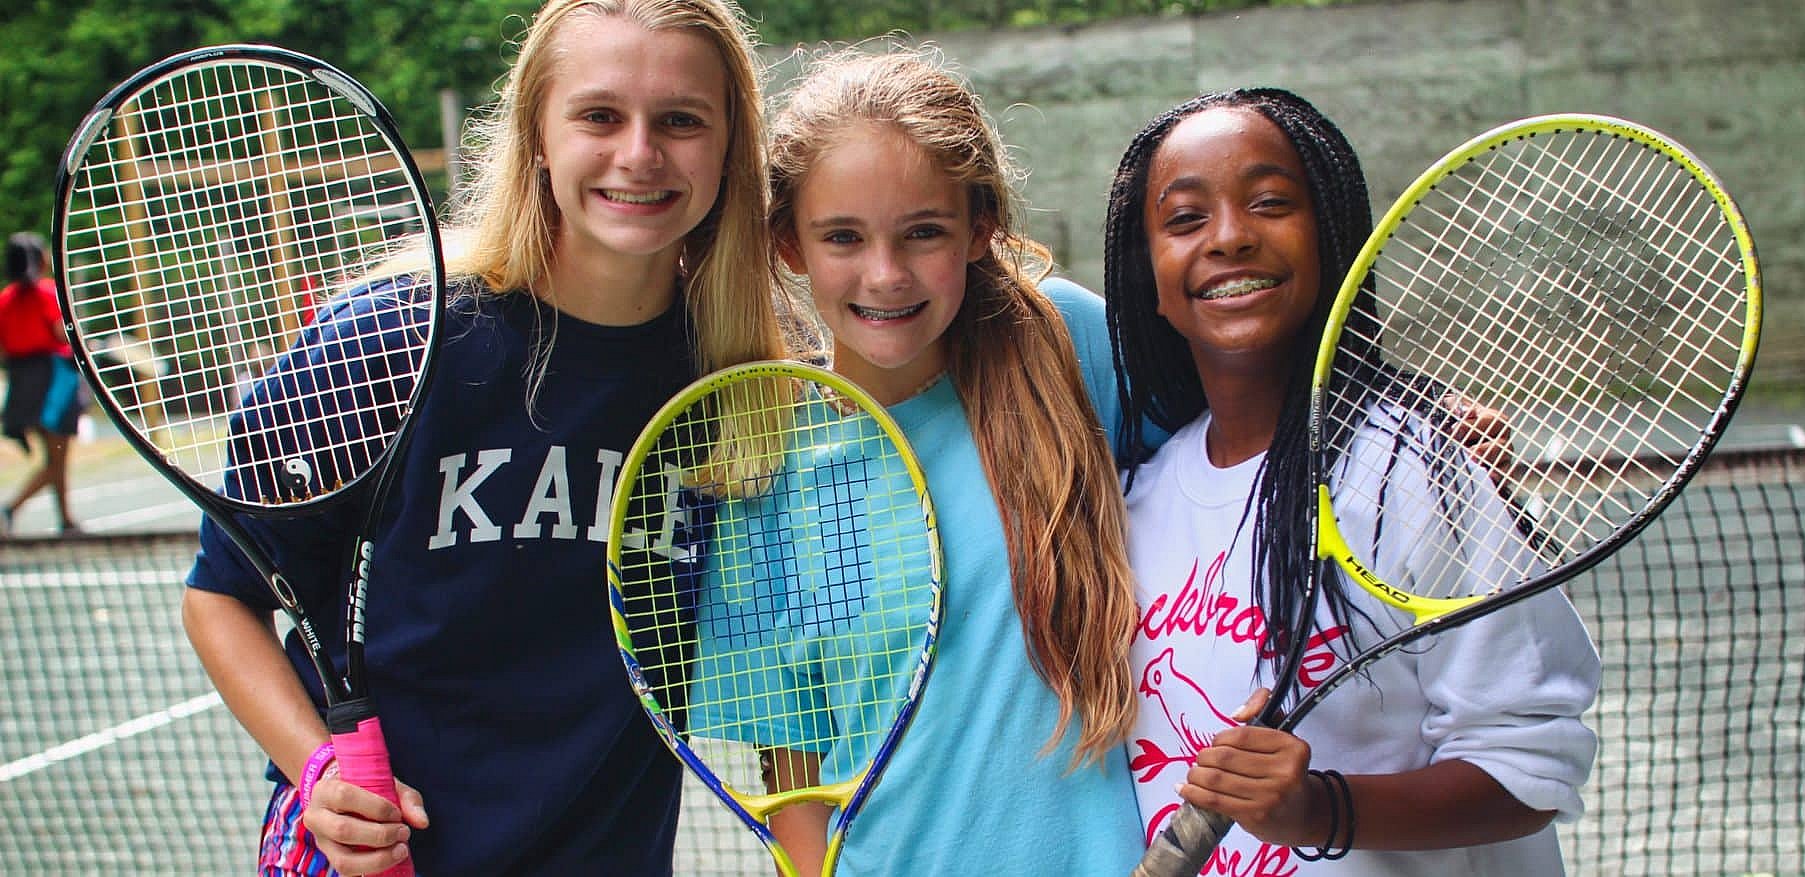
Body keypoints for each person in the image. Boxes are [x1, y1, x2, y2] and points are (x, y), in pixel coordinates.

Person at [179, 1, 792, 873]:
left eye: (682, 121)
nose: (640, 153)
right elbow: (222, 595)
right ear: (537, 133)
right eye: (598, 116)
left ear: (730, 146)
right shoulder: (395, 337)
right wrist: (316, 768)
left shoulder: (743, 384)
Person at [1105, 88, 1602, 875]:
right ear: (1150, 281)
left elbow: (1531, 765)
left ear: (1331, 238)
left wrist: (1323, 808)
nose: (1230, 236)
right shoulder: (1136, 503)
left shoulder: (1414, 467)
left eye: (1270, 203)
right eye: (1186, 218)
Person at [747, 49, 1144, 874]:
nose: (885, 274)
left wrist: (1432, 430)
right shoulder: (761, 475)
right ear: (790, 243)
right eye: (843, 237)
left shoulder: (1070, 344)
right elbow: (792, 766)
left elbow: (1243, 454)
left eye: (923, 231)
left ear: (979, 227)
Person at [0, 231, 85, 537]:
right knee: (58, 455)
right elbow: (62, 335)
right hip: (54, 380)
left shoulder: (5, 299)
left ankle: (66, 519)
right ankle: (11, 508)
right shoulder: (47, 293)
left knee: (54, 455)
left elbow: (4, 348)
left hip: (23, 384)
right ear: (39, 259)